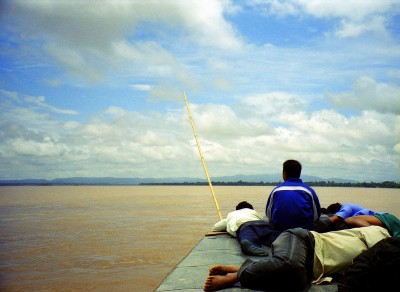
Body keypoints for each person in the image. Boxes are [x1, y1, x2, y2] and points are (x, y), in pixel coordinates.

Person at [203, 225, 390, 291]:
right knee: (291, 265)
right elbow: (373, 260)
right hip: (303, 241)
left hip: (311, 271)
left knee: (298, 282)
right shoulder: (381, 235)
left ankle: (244, 268)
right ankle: (238, 276)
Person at [266, 160, 321, 231]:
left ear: (284, 174)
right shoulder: (309, 191)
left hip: (280, 230)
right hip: (304, 231)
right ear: (299, 174)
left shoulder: (276, 190)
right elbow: (316, 217)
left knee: (265, 219)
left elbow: (269, 215)